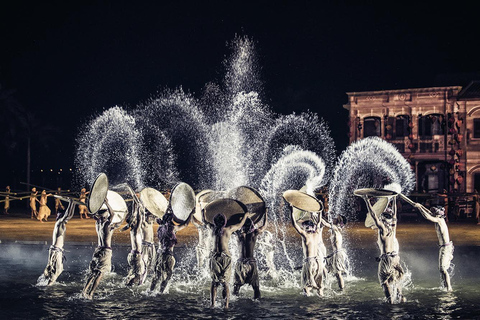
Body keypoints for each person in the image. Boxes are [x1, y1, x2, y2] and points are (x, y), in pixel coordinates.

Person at [362, 194, 406, 304]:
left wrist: (367, 201)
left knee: (384, 281)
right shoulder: (393, 227)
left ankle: (390, 303)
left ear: (383, 219)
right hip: (395, 258)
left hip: (386, 259)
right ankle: (401, 299)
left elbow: (373, 215)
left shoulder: (383, 229)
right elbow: (395, 212)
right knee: (395, 280)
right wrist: (395, 198)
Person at [210, 212, 255, 309]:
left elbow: (205, 221)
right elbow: (240, 225)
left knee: (215, 283)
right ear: (224, 222)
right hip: (225, 257)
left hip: (215, 257)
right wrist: (245, 216)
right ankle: (226, 306)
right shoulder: (228, 229)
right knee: (225, 282)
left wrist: (202, 211)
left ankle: (213, 305)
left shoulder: (213, 229)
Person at [82, 199, 122, 299]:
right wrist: (107, 202)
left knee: (93, 272)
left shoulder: (98, 224)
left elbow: (93, 214)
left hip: (97, 250)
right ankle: (91, 294)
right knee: (100, 274)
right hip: (105, 251)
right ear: (106, 215)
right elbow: (112, 214)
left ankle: (84, 291)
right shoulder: (107, 224)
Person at [411, 202, 454, 291]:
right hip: (445, 247)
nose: (433, 212)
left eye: (435, 211)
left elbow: (427, 216)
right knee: (441, 269)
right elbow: (428, 212)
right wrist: (420, 205)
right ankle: (445, 286)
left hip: (445, 247)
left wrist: (419, 208)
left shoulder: (439, 220)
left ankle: (449, 288)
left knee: (442, 269)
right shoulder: (437, 218)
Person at [150, 208, 190, 293]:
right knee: (167, 276)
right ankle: (160, 292)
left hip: (159, 255)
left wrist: (168, 208)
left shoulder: (160, 228)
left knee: (156, 276)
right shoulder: (172, 229)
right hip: (167, 255)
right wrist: (191, 213)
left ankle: (150, 291)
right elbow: (185, 224)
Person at [291, 209, 326, 297]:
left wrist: (291, 210)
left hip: (309, 263)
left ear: (306, 226)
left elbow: (294, 224)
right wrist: (320, 210)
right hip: (318, 263)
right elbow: (318, 222)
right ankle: (321, 298)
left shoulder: (305, 235)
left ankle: (309, 307)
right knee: (320, 286)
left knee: (306, 287)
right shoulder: (317, 233)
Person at [233, 210, 268, 299]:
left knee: (236, 288)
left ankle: (233, 305)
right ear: (251, 225)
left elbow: (230, 227)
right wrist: (265, 213)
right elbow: (264, 226)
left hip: (241, 263)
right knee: (256, 288)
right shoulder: (254, 233)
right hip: (251, 263)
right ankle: (257, 304)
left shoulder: (238, 234)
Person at [41, 198, 75, 285]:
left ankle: (46, 282)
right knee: (58, 270)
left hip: (55, 250)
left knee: (53, 269)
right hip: (56, 251)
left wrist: (73, 204)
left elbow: (69, 216)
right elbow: (68, 215)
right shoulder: (60, 222)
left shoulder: (59, 223)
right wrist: (71, 203)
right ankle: (48, 286)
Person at [123, 196, 146, 287]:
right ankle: (129, 284)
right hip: (136, 255)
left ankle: (128, 281)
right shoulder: (136, 230)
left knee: (135, 271)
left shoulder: (132, 229)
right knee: (139, 274)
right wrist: (140, 209)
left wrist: (135, 204)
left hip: (132, 255)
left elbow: (134, 216)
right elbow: (139, 219)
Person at [322, 215, 348, 290]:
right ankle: (329, 284)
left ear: (338, 222)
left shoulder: (335, 228)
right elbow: (326, 221)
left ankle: (342, 289)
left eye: (336, 219)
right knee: (331, 270)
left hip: (338, 253)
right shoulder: (337, 228)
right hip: (336, 253)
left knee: (338, 273)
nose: (333, 219)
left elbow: (325, 223)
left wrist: (314, 214)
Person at [140, 209, 157, 284]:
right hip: (145, 246)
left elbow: (157, 215)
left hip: (151, 246)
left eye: (152, 217)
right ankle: (141, 281)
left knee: (152, 263)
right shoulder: (144, 224)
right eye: (150, 217)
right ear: (146, 217)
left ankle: (147, 279)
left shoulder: (151, 223)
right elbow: (141, 216)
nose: (152, 218)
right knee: (144, 263)